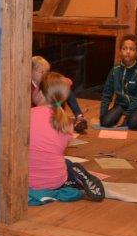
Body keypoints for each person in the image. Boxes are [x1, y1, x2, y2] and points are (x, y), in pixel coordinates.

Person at [28, 72, 104, 201]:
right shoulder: (66, 122)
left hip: (27, 181)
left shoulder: (27, 114)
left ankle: (73, 178)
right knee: (65, 162)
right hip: (56, 182)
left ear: (40, 93)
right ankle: (75, 179)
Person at [99, 35, 137, 130]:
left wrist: (124, 115)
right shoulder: (115, 70)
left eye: (131, 49)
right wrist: (102, 115)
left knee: (132, 124)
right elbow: (107, 94)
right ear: (120, 51)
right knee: (105, 122)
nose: (128, 52)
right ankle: (124, 117)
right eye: (124, 48)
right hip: (121, 104)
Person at [31, 56, 88, 133]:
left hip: (51, 111)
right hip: (37, 115)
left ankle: (79, 116)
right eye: (41, 72)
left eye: (46, 72)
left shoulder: (46, 82)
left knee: (67, 89)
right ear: (31, 71)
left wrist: (63, 83)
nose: (44, 75)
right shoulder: (28, 87)